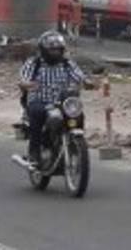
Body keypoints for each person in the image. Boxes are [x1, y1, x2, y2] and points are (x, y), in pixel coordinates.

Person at [17, 31, 87, 168]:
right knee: (37, 114)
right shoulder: (34, 63)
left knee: (78, 114)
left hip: (62, 102)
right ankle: (34, 153)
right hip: (39, 101)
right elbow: (23, 80)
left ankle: (74, 144)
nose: (55, 53)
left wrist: (87, 82)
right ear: (43, 50)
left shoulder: (67, 63)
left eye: (58, 50)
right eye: (52, 50)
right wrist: (27, 84)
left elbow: (79, 76)